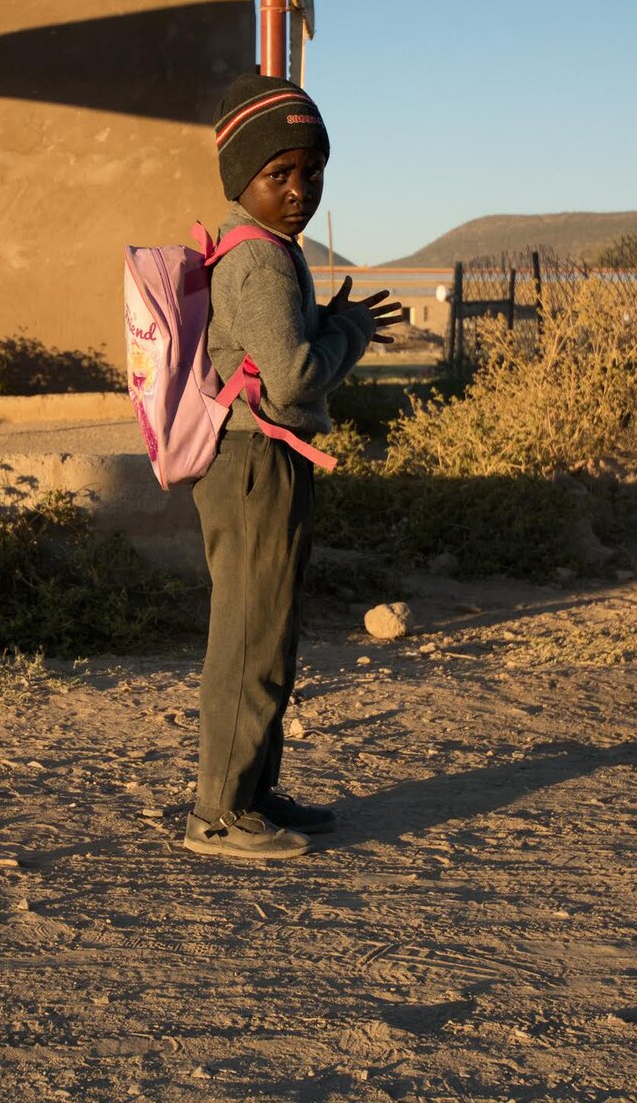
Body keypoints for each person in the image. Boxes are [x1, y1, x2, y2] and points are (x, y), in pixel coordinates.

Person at [184, 74, 403, 860]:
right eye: (280, 174)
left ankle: (253, 792)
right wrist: (349, 337)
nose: (299, 189)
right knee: (249, 638)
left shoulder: (271, 253)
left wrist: (334, 320)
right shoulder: (260, 262)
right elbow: (297, 377)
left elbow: (283, 351)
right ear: (242, 177)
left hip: (265, 460)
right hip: (254, 465)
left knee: (268, 634)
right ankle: (218, 814)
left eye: (311, 172)